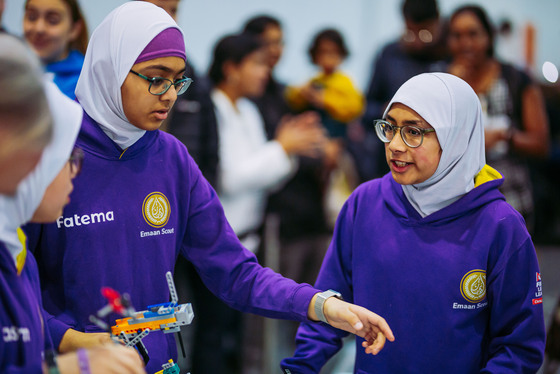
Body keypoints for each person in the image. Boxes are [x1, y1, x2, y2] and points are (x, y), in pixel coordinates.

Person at [24, 3, 394, 374]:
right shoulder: (50, 152)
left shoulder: (170, 158)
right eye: (156, 78)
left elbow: (235, 272)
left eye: (178, 80)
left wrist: (322, 305)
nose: (169, 94)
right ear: (111, 69)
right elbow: (10, 287)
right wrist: (70, 339)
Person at [281, 72, 546, 373]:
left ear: (455, 137)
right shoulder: (365, 203)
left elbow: (519, 346)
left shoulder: (500, 225)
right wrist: (301, 365)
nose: (395, 144)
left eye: (413, 132)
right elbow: (331, 301)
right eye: (390, 127)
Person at [0, 33, 145, 374]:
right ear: (30, 160)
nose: (74, 175)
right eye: (68, 159)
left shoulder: (18, 255)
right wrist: (69, 368)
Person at [206, 33, 326, 373]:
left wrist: (288, 148)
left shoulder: (247, 109)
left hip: (251, 236)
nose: (265, 72)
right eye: (257, 64)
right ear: (230, 69)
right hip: (219, 242)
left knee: (243, 338)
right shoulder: (214, 107)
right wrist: (282, 148)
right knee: (216, 339)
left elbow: (268, 177)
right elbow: (229, 178)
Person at [447, 5, 549, 234]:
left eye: (473, 34)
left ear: (488, 36)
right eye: (457, 35)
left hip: (509, 197)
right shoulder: (443, 82)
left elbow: (541, 144)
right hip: (454, 200)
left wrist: (503, 136)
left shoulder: (515, 79)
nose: (465, 43)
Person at [360, 0, 448, 181]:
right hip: (390, 166)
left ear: (438, 22)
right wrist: (387, 112)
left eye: (425, 34)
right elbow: (365, 109)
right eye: (410, 33)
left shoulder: (451, 56)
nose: (417, 42)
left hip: (440, 168)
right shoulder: (389, 55)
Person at [285, 28, 364, 140]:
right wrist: (303, 94)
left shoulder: (344, 80)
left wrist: (325, 100)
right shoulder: (313, 80)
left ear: (341, 54)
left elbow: (355, 107)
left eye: (332, 52)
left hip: (338, 137)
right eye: (323, 52)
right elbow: (293, 98)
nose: (327, 58)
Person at [23, 0, 88, 99]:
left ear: (74, 29)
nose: (39, 29)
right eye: (32, 17)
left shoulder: (84, 85)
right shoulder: (12, 73)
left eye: (53, 21)